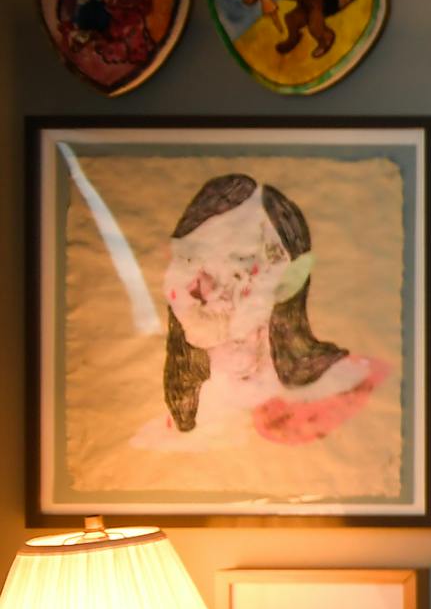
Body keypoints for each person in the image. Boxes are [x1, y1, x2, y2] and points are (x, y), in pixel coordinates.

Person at [135, 172, 386, 449]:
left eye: (246, 262)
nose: (215, 286)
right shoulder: (179, 419)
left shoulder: (336, 387)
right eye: (193, 260)